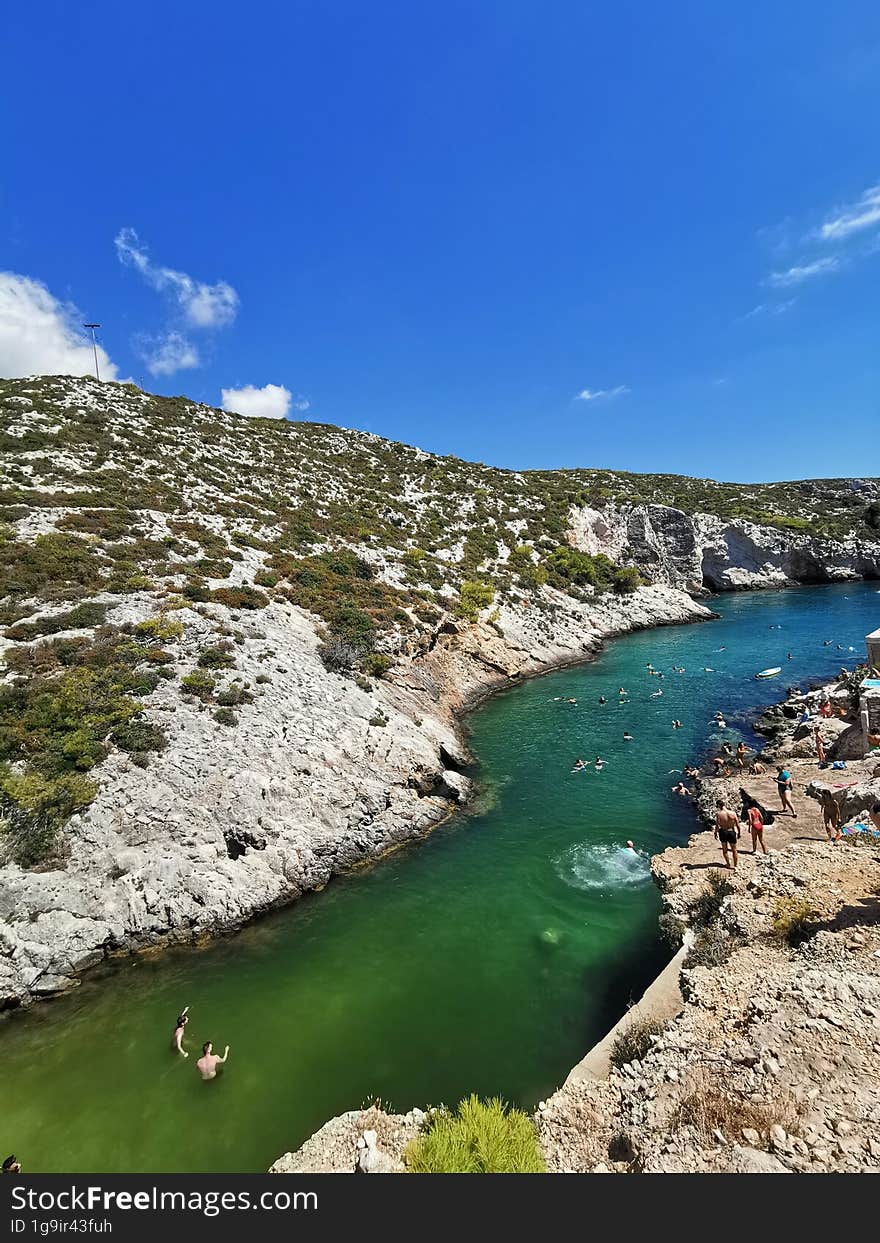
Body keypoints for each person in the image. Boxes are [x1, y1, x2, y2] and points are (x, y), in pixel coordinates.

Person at [714, 800, 740, 869]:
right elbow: (737, 824)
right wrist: (739, 832)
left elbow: (717, 825)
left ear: (719, 806)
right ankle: (735, 865)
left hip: (723, 832)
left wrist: (715, 833)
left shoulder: (719, 814)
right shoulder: (733, 813)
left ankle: (728, 864)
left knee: (725, 850)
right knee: (734, 849)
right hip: (731, 831)